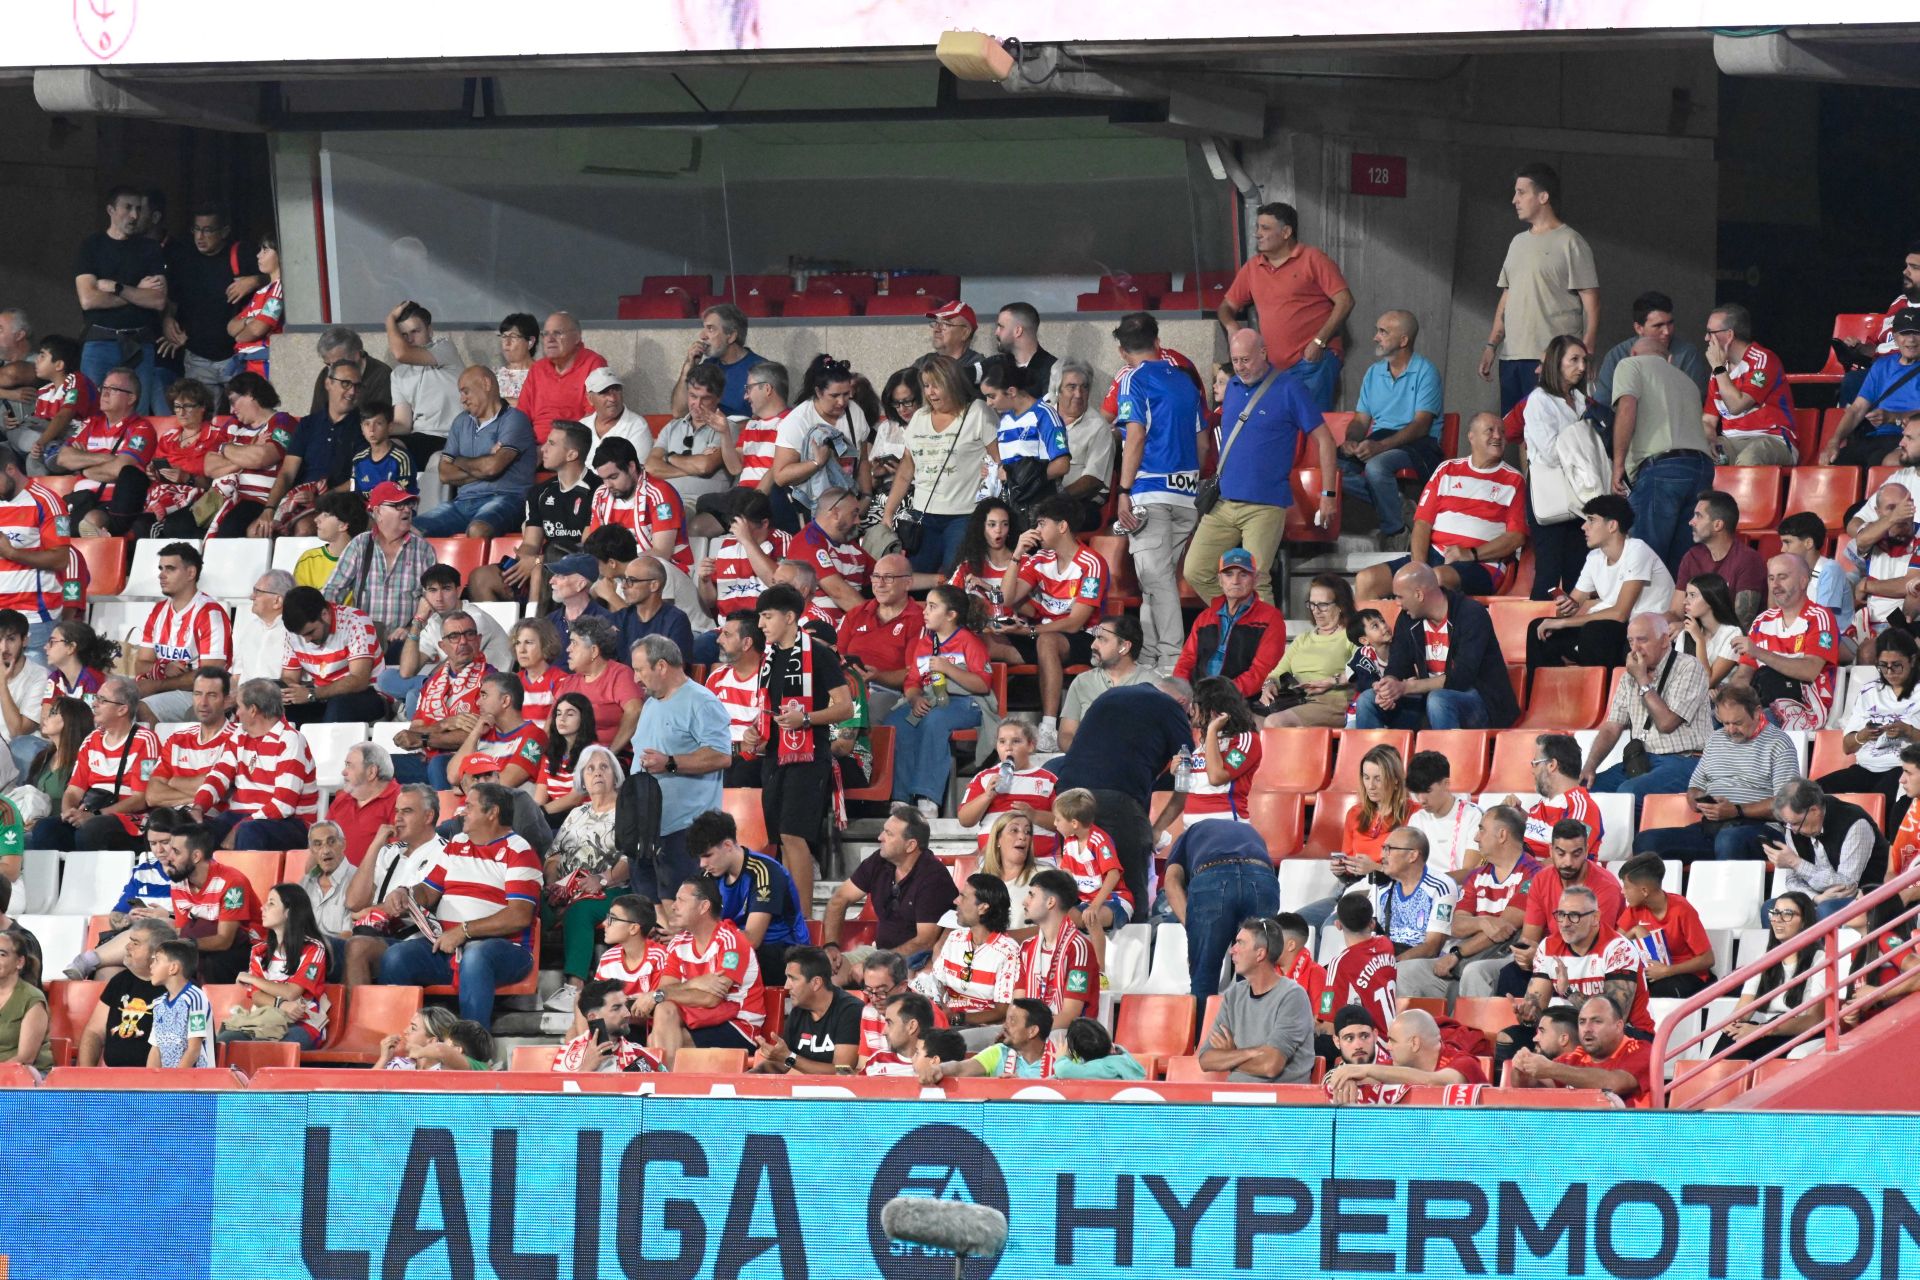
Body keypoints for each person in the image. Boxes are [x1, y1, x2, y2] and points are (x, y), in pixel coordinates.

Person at [1185, 328, 1337, 601]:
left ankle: (1266, 639)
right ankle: (1237, 622)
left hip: (1265, 506)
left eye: (1246, 360)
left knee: (1255, 578)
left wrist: (1328, 494)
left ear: (1264, 353)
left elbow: (1325, 440)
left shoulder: (1289, 387)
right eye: (1235, 361)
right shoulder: (1231, 388)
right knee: (1196, 570)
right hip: (1223, 502)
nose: (1240, 367)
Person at [376, 781, 539, 1025]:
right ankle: (402, 1045)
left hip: (505, 950)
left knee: (476, 954)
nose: (461, 811)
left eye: (470, 806)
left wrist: (464, 931)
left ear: (492, 812)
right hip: (447, 946)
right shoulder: (458, 843)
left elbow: (519, 916)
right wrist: (405, 892)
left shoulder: (519, 851)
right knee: (396, 956)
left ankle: (472, 1053)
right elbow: (428, 892)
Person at [1353, 412, 1527, 603]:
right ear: (1472, 437)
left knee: (1438, 578)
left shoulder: (1514, 480)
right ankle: (1378, 632)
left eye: (1502, 432)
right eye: (1490, 431)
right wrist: (1418, 567)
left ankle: (1417, 630)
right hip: (1433, 555)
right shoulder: (1446, 470)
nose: (1498, 436)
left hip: (1481, 563)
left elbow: (1515, 537)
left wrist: (1471, 553)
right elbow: (1422, 524)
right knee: (1366, 580)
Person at [1050, 679, 1192, 912]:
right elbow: (1189, 774)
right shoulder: (1171, 707)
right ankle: (1134, 943)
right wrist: (1156, 829)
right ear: (1183, 703)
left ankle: (1077, 946)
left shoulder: (1109, 695)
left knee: (1078, 891)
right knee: (1128, 896)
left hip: (1068, 800)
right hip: (1116, 801)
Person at [1112, 315, 1204, 672]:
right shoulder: (1184, 381)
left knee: (1158, 582)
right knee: (1156, 582)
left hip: (1150, 491)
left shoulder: (1132, 378)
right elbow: (1201, 443)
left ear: (1122, 350)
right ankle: (1149, 659)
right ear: (1157, 339)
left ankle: (1170, 662)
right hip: (1185, 494)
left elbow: (1134, 437)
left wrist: (1123, 490)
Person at [755, 584, 853, 916]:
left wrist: (806, 719)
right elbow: (769, 711)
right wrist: (755, 732)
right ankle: (789, 910)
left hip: (809, 756)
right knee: (781, 839)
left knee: (793, 835)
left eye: (767, 617)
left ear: (790, 617)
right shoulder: (768, 658)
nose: (761, 625)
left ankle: (804, 918)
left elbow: (845, 708)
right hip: (774, 756)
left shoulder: (820, 654)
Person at [1479, 162, 1600, 414]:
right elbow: (1507, 296)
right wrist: (1492, 345)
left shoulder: (1571, 242)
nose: (1514, 199)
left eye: (1521, 192)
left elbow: (1592, 301)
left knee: (1551, 428)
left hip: (1551, 357)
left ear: (1543, 196)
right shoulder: (1517, 242)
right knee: (1517, 430)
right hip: (1511, 356)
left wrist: (1586, 351)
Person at [1217, 201, 1354, 410]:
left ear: (1286, 232)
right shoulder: (1253, 267)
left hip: (1312, 362)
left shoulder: (1313, 259)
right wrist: (1231, 325)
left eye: (1265, 228)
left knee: (1313, 430)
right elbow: (1226, 306)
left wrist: (1319, 342)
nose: (1257, 234)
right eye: (1257, 227)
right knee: (1284, 432)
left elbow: (1345, 301)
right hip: (1273, 368)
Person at [1467, 821, 1623, 999]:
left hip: (1592, 966)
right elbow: (1529, 938)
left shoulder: (1606, 887)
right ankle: (1516, 1025)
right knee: (1510, 974)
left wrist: (1543, 956)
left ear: (1587, 850)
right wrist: (1527, 956)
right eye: (1561, 853)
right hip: (1551, 959)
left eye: (1576, 854)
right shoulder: (1541, 879)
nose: (1568, 862)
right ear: (1550, 850)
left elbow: (1593, 948)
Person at [1000, 495, 1108, 749]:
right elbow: (1008, 598)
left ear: (1062, 526)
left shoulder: (1092, 563)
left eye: (1041, 523)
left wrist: (1030, 631)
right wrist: (1016, 554)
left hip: (1081, 638)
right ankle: (994, 722)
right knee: (988, 638)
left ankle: (1048, 728)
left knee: (1046, 641)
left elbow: (1074, 623)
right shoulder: (1039, 559)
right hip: (1040, 633)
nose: (1036, 531)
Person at [1356, 561, 1518, 730]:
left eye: (1399, 596)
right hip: (1429, 702)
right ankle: (1377, 757)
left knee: (1439, 700)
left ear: (1419, 594)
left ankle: (1444, 757)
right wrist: (1388, 686)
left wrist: (1406, 687)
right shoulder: (1407, 618)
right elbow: (1398, 663)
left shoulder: (1471, 614)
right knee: (1367, 700)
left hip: (1482, 703)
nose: (1397, 602)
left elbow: (1462, 678)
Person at [877, 584, 989, 817]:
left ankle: (928, 796)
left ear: (951, 615)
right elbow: (912, 682)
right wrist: (915, 698)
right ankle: (901, 798)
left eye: (932, 606)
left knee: (935, 720)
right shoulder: (925, 643)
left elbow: (983, 684)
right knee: (899, 722)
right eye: (926, 605)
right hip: (932, 700)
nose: (924, 612)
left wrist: (949, 669)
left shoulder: (969, 641)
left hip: (966, 703)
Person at [1582, 614, 1711, 812]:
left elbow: (1666, 723)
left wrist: (1642, 679)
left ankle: (1633, 843)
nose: (1635, 649)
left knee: (1629, 792)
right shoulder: (1629, 677)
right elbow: (1612, 726)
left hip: (1686, 760)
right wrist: (1590, 766)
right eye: (1631, 641)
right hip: (1641, 760)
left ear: (1665, 640)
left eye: (1642, 640)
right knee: (1587, 791)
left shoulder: (1689, 667)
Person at [883, 354, 999, 574]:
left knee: (954, 577)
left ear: (953, 383)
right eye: (926, 386)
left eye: (936, 385)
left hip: (964, 516)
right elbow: (906, 470)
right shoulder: (919, 418)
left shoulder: (978, 412)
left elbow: (998, 460)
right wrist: (889, 511)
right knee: (917, 579)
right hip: (923, 516)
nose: (930, 392)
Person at [1409, 805, 1539, 1000]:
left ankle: (1473, 1030)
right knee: (1406, 972)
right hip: (1467, 954)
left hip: (1507, 957)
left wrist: (1458, 954)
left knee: (1474, 972)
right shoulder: (1477, 876)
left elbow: (1504, 930)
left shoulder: (1534, 874)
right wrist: (1482, 922)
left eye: (1482, 829)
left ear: (1502, 835)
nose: (1477, 837)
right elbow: (1454, 925)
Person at [1610, 334, 1716, 573]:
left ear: (1634, 353)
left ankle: (1642, 611)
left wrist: (1618, 466)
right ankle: (1676, 611)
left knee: (1644, 557)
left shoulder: (1630, 365)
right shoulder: (1686, 380)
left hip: (1663, 468)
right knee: (1681, 563)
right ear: (1667, 358)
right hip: (1701, 470)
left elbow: (1627, 409)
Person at [536, 744, 627, 1017]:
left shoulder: (626, 811)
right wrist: (555, 885)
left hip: (613, 889)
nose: (597, 773)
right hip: (569, 887)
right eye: (590, 768)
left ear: (615, 775)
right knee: (532, 904)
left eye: (603, 767)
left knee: (581, 909)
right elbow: (553, 856)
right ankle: (521, 980)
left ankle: (574, 988)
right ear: (582, 779)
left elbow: (631, 861)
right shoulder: (577, 813)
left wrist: (602, 879)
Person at [1337, 311, 1443, 548]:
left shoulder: (1426, 371)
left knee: (1376, 467)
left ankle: (1395, 531)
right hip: (1380, 440)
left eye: (1383, 332)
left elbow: (1421, 426)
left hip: (1418, 443)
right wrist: (1352, 440)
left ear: (1403, 340)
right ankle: (1399, 505)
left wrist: (1379, 447)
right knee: (1333, 467)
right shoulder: (1374, 373)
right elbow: (1360, 420)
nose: (1376, 337)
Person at [26, 675, 158, 851]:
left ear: (122, 710)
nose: (94, 704)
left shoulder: (145, 740)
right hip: (92, 812)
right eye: (96, 698)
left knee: (91, 830)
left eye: (102, 700)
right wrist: (68, 812)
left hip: (128, 821)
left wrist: (95, 815)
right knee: (46, 829)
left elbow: (140, 800)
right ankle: (60, 877)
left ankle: (85, 878)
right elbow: (73, 790)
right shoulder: (92, 739)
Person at [187, 679, 317, 851]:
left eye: (239, 707)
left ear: (253, 710)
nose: (237, 713)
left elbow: (283, 806)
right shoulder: (239, 735)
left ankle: (247, 878)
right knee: (197, 833)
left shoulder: (290, 740)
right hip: (242, 817)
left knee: (248, 831)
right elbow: (219, 776)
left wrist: (239, 827)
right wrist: (198, 807)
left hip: (290, 823)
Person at [649, 875, 766, 1066]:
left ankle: (665, 1087)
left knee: (658, 1042)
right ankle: (668, 1086)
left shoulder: (732, 942)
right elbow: (665, 991)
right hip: (700, 1019)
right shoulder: (678, 943)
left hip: (738, 1026)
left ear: (704, 907)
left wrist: (664, 994)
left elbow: (711, 998)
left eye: (682, 900)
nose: (673, 906)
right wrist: (695, 983)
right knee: (664, 1007)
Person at [1163, 818, 1279, 1002]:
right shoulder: (1250, 830)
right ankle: (1252, 1030)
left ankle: (1203, 1030)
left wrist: (1194, 928)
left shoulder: (1187, 836)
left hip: (1213, 876)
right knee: (1255, 977)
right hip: (1262, 877)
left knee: (1204, 977)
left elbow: (1171, 882)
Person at [73, 186, 168, 410]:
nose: (134, 215)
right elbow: (88, 299)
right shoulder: (92, 246)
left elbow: (158, 300)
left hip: (139, 342)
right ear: (110, 210)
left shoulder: (150, 248)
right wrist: (137, 293)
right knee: (92, 411)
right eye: (127, 208)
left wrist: (118, 288)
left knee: (137, 413)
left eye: (138, 209)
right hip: (99, 341)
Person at [413, 366, 537, 539]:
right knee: (410, 530)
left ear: (486, 384)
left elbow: (492, 468)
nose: (462, 399)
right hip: (463, 502)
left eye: (466, 392)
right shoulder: (460, 422)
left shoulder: (515, 419)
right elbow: (445, 474)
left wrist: (458, 460)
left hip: (506, 498)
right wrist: (486, 465)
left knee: (478, 530)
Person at [159, 203, 262, 402]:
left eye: (207, 230)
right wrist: (167, 320)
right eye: (196, 229)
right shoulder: (185, 260)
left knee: (242, 416)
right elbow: (172, 301)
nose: (200, 236)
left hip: (235, 355)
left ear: (224, 231)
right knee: (203, 419)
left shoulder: (242, 255)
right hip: (197, 355)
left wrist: (255, 280)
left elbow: (278, 277)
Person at [823, 804, 957, 956]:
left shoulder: (933, 877)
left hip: (917, 961)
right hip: (880, 954)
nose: (880, 837)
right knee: (825, 971)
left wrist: (880, 964)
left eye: (889, 834)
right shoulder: (878, 860)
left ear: (910, 845)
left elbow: (924, 942)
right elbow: (839, 899)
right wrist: (831, 947)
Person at [1520, 334, 1597, 598]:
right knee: (1549, 573)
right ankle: (1540, 633)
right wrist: (1581, 447)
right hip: (1551, 489)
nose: (1582, 367)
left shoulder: (1581, 399)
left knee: (1580, 571)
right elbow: (1551, 452)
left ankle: (1574, 636)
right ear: (1556, 362)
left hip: (1581, 493)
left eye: (1584, 360)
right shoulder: (1539, 400)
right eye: (1574, 360)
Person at [1198, 917, 1315, 1084]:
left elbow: (1270, 1065)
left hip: (1278, 1103)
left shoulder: (1293, 996)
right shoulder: (1234, 995)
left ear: (1260, 954)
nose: (1232, 950)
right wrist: (1248, 1053)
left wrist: (1231, 1054)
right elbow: (1205, 1059)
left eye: (1240, 943)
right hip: (1235, 1099)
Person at [1820, 630, 1920, 824]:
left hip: (1901, 768)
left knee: (1877, 803)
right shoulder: (1869, 691)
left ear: (1913, 660)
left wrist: (1908, 731)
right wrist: (1863, 735)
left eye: (1897, 666)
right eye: (1883, 666)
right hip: (1865, 767)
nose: (1890, 672)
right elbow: (1847, 747)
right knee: (1812, 794)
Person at [1715, 892, 1829, 1061]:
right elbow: (1744, 1008)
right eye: (1775, 913)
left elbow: (1813, 1019)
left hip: (1797, 1030)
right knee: (1732, 1035)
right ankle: (1707, 1081)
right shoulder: (1764, 958)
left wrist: (1763, 1030)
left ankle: (1711, 1082)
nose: (1778, 919)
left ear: (1805, 921)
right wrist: (1733, 1023)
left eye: (1788, 914)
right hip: (1769, 1029)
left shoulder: (1820, 959)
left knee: (1739, 1048)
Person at [321, 481, 436, 649]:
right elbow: (333, 590)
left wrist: (412, 629)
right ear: (377, 512)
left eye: (408, 504)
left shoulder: (424, 549)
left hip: (408, 641)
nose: (406, 509)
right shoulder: (360, 544)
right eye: (397, 505)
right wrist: (333, 626)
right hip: (364, 640)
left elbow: (432, 600)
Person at [216, 882, 330, 1049]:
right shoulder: (259, 951)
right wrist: (280, 1004)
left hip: (304, 1023)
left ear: (288, 912)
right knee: (226, 1040)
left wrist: (252, 979)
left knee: (267, 1047)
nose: (263, 908)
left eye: (271, 903)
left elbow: (291, 992)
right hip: (266, 1019)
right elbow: (256, 996)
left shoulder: (314, 948)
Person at [1736, 553, 1842, 731]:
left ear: (1803, 582)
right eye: (1771, 578)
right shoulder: (1761, 621)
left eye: (1782, 577)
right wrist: (1732, 703)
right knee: (1718, 721)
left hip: (1806, 709)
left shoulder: (1820, 617)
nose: (1775, 585)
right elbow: (1743, 675)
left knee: (1752, 727)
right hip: (1761, 706)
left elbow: (1810, 670)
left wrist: (1759, 652)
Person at [915, 874, 1020, 1050]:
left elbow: (1002, 1011)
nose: (956, 901)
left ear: (983, 907)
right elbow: (936, 983)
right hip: (948, 1024)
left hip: (983, 1030)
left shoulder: (1008, 951)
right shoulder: (955, 938)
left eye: (963, 896)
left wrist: (957, 1017)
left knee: (937, 1044)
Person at [130, 542, 231, 724]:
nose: (161, 575)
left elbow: (210, 676)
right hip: (169, 689)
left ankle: (153, 752)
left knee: (141, 709)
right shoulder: (158, 611)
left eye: (170, 569)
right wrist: (162, 668)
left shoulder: (209, 613)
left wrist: (156, 684)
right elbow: (141, 664)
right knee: (113, 702)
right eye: (161, 568)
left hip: (199, 695)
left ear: (191, 573)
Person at [1173, 548, 1288, 704]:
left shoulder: (1271, 618)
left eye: (1243, 574)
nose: (1235, 581)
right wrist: (1181, 692)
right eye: (1228, 574)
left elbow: (1261, 671)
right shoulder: (1205, 617)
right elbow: (1186, 661)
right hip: (1198, 699)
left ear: (1255, 579)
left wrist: (1221, 696)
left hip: (1240, 702)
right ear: (1220, 580)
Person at [57, 364, 155, 537]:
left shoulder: (141, 428)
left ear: (131, 398)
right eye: (104, 387)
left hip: (112, 505)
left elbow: (122, 469)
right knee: (53, 528)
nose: (105, 392)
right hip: (79, 500)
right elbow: (63, 458)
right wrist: (110, 458)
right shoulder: (91, 423)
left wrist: (82, 466)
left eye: (113, 389)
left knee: (91, 520)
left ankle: (100, 551)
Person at [1765, 779, 1883, 921]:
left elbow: (1847, 885)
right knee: (1770, 908)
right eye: (1788, 824)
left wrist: (1796, 863)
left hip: (1865, 896)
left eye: (1795, 823)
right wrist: (1815, 898)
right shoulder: (1793, 827)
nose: (1793, 831)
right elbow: (1792, 880)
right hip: (1819, 898)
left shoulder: (1854, 823)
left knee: (1827, 909)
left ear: (1814, 810)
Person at [160, 823, 263, 984]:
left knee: (207, 958)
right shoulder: (178, 881)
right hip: (207, 946)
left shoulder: (232, 882)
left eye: (176, 852)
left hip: (250, 949)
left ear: (196, 857)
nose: (169, 858)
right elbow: (183, 930)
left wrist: (183, 945)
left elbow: (224, 940)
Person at [1159, 676, 1263, 830]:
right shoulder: (1194, 738)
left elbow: (1216, 777)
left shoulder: (1246, 741)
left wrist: (1212, 730)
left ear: (1213, 708)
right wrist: (1178, 771)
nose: (1191, 710)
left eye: (1196, 704)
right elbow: (1183, 791)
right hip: (1191, 829)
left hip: (1227, 828)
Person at [1702, 302, 1799, 465]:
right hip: (1731, 441)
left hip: (1772, 439)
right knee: (1701, 457)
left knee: (1749, 458)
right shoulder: (1719, 371)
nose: (1706, 338)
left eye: (1710, 332)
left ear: (1729, 335)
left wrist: (1719, 368)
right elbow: (1708, 421)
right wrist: (1710, 441)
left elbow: (1736, 405)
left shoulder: (1763, 359)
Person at [1510, 992, 1651, 1101]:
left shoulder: (1640, 1050)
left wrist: (1551, 1069)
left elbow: (1613, 1084)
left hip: (1628, 1134)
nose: (1587, 1028)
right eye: (1582, 1022)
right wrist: (1522, 1070)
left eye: (1597, 1021)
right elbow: (1533, 1087)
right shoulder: (1572, 1059)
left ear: (1618, 1026)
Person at [1050, 787, 1132, 974]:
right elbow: (1067, 873)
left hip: (1114, 900)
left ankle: (1099, 972)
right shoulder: (1070, 841)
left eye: (1058, 819)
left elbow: (1113, 874)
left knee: (1091, 918)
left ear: (1074, 823)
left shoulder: (1099, 840)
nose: (1054, 823)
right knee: (1054, 913)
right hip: (1085, 902)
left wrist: (1094, 906)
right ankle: (1060, 968)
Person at [76, 916, 175, 1067]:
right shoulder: (119, 981)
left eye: (135, 943)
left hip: (155, 1084)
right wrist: (85, 1075)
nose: (128, 947)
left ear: (157, 953)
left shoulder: (175, 989)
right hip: (112, 1081)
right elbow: (94, 1032)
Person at [838, 552, 925, 722]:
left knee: (867, 711)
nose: (880, 584)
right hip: (847, 687)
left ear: (908, 583)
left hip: (888, 692)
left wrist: (878, 676)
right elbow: (836, 656)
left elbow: (914, 673)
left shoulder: (919, 619)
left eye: (888, 577)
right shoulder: (856, 614)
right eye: (876, 577)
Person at [1823, 313, 1920, 467]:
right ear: (1894, 337)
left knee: (1888, 462)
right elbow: (1857, 409)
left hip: (1910, 440)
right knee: (1832, 463)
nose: (1911, 340)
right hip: (1875, 437)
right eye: (1905, 333)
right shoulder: (1881, 365)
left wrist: (1893, 417)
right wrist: (1834, 441)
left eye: (1917, 333)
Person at [749, 946, 861, 1075]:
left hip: (835, 1094)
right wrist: (750, 1077)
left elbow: (844, 1071)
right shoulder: (799, 1010)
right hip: (801, 1090)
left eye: (793, 978)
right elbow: (783, 1064)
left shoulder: (850, 1010)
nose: (786, 986)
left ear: (816, 983)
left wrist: (789, 1058)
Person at [1615, 853, 1715, 998]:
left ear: (1644, 891)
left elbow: (1708, 959)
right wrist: (1634, 931)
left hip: (1686, 975)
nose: (1622, 891)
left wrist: (1668, 970)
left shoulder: (1682, 910)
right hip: (1650, 974)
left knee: (1650, 992)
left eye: (1626, 886)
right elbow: (1614, 946)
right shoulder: (1633, 909)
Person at [1592, 290, 1712, 410]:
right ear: (1639, 328)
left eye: (1670, 323)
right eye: (1658, 326)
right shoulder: (1616, 356)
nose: (1667, 331)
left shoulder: (1686, 353)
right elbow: (1602, 403)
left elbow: (1696, 400)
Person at [1673, 491, 1768, 629]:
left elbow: (1740, 626)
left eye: (1698, 516)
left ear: (1718, 525)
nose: (1691, 522)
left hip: (1732, 646)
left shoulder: (1748, 560)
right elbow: (1676, 612)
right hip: (1696, 638)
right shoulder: (1691, 557)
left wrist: (1687, 628)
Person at [517, 312, 608, 444]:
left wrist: (551, 447)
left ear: (577, 337)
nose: (550, 339)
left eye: (558, 333)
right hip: (533, 446)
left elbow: (594, 419)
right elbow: (521, 415)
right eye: (546, 334)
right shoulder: (538, 368)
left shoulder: (594, 364)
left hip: (571, 448)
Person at [1059, 616, 1150, 747]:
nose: (1093, 645)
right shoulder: (1082, 682)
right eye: (1095, 638)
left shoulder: (1152, 685)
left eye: (1102, 639)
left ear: (1124, 647)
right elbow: (1066, 734)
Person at [917, 996, 1055, 1082]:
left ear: (1032, 1031)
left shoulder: (1059, 1059)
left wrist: (1021, 1088)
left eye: (1012, 1021)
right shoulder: (998, 1053)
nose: (1004, 1026)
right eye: (1005, 1020)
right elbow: (960, 1068)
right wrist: (939, 1069)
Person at [1322, 893, 1399, 1039]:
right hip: (1394, 1039)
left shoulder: (1340, 963)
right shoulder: (1386, 944)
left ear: (1338, 925)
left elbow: (1328, 1021)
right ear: (1372, 923)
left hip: (1369, 1044)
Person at [671, 303, 766, 419]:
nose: (702, 336)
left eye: (710, 329)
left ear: (731, 336)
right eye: (704, 328)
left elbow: (764, 420)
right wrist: (688, 367)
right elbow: (678, 413)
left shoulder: (761, 369)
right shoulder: (707, 366)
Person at [1055, 361, 1115, 533]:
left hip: (1079, 504)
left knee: (1044, 520)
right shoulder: (1042, 417)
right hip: (1041, 499)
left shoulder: (1098, 427)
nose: (1078, 394)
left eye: (1084, 387)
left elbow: (1093, 481)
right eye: (1071, 387)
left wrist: (1055, 499)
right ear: (1057, 390)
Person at [1405, 750, 1484, 881]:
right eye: (1417, 792)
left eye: (1427, 791)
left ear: (1446, 784)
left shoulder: (1472, 815)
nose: (1421, 799)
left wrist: (1430, 883)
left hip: (1458, 893)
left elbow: (1470, 872)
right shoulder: (1417, 819)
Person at [144, 939, 214, 1069]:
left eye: (157, 960)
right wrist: (151, 1083)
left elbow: (194, 1049)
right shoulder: (158, 1004)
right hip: (168, 1084)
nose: (151, 965)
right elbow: (156, 1049)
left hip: (196, 1082)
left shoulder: (195, 998)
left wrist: (174, 1080)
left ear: (173, 968)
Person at [305, 327, 393, 423]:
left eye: (337, 363)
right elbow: (315, 417)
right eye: (328, 364)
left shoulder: (382, 375)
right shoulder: (326, 374)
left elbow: (378, 424)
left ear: (356, 355)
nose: (332, 369)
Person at [1675, 572, 1744, 691]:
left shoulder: (1732, 634)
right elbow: (1677, 677)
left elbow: (1707, 682)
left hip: (1723, 700)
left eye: (1692, 595)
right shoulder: (1685, 634)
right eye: (1686, 595)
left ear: (1711, 598)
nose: (1685, 601)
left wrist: (1699, 641)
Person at [582, 367, 655, 456]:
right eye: (604, 392)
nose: (612, 398)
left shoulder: (636, 426)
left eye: (616, 390)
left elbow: (638, 468)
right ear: (590, 399)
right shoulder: (582, 426)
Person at [992, 302, 1058, 398]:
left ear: (1018, 331)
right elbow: (967, 375)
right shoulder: (996, 363)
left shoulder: (1053, 370)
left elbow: (1048, 410)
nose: (996, 332)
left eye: (1001, 327)